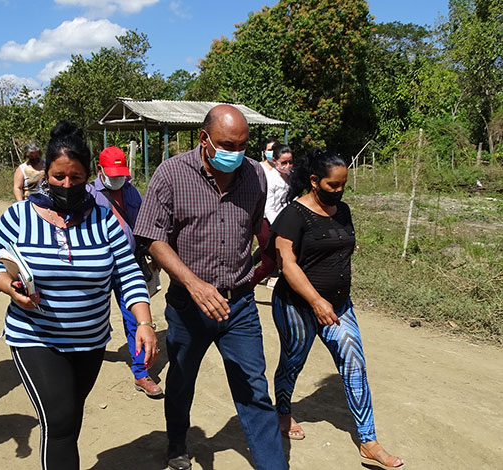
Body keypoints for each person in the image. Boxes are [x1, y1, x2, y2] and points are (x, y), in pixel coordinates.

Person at [0, 121, 158, 470]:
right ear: (47, 172)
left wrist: (145, 322)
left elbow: (129, 274)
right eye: (59, 176)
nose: (67, 184)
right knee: (58, 421)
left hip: (90, 341)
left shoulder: (105, 219)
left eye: (75, 177)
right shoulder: (19, 216)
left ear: (88, 175)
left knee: (70, 419)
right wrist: (7, 286)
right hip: (35, 337)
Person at [134, 104, 287, 470]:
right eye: (226, 144)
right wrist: (195, 284)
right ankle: (176, 444)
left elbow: (253, 227)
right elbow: (152, 237)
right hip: (189, 305)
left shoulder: (255, 176)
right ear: (204, 139)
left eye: (243, 145)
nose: (236, 153)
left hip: (239, 305)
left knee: (254, 389)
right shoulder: (171, 174)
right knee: (182, 380)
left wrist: (259, 269)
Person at [270, 149, 404, 469]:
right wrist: (316, 300)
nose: (339, 191)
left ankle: (368, 441)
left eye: (343, 184)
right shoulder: (292, 215)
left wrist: (332, 293)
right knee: (293, 362)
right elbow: (286, 264)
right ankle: (283, 412)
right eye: (333, 185)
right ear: (314, 181)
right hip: (297, 306)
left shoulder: (342, 210)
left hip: (338, 307)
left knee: (354, 362)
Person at [87, 146, 163, 397]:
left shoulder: (131, 191)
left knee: (135, 318)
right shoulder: (88, 194)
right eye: (113, 173)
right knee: (89, 319)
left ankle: (141, 373)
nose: (118, 178)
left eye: (121, 173)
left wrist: (153, 256)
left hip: (128, 264)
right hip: (97, 266)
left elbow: (144, 225)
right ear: (100, 170)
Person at [250, 143, 294, 287]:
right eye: (283, 163)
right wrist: (280, 227)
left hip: (284, 221)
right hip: (267, 222)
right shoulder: (269, 179)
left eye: (290, 162)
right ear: (274, 161)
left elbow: (292, 199)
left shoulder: (291, 177)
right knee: (268, 264)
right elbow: (268, 207)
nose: (287, 166)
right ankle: (247, 286)